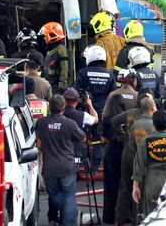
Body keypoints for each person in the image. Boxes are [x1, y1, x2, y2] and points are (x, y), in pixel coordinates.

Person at [35, 95, 85, 226]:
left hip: (49, 168)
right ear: (63, 108)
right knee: (68, 197)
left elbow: (39, 145)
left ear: (50, 108)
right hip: (67, 166)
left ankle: (68, 213)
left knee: (54, 194)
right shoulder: (70, 123)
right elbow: (83, 138)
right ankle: (70, 219)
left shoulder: (41, 123)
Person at [132, 110, 166, 218]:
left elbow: (139, 166)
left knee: (151, 216)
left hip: (151, 182)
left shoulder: (145, 141)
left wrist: (136, 187)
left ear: (153, 124)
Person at [100, 70, 137, 226]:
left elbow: (106, 119)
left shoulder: (113, 95)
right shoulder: (138, 96)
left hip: (114, 145)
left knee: (111, 182)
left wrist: (103, 136)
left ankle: (110, 217)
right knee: (130, 182)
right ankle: (131, 216)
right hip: (133, 146)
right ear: (133, 80)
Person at [113, 94, 156, 225]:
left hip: (127, 154)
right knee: (139, 191)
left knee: (125, 189)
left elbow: (114, 121)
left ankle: (119, 220)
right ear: (151, 107)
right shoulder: (152, 122)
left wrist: (121, 137)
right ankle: (137, 221)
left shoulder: (131, 115)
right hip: (142, 158)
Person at [76, 45, 116, 119]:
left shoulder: (82, 73)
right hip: (104, 111)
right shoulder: (110, 75)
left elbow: (76, 91)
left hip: (87, 110)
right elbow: (113, 94)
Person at [40, 22, 69, 92]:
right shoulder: (50, 50)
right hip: (50, 88)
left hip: (57, 90)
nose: (44, 38)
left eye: (45, 36)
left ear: (52, 35)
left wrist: (62, 87)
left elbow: (64, 71)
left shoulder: (61, 50)